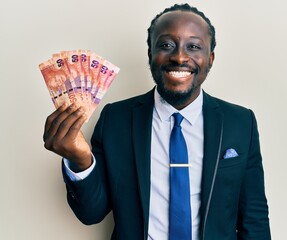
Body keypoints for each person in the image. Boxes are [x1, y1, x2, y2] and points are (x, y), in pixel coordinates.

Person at [43, 3, 271, 240]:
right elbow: (91, 213)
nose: (180, 56)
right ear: (151, 54)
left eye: (193, 46)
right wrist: (79, 160)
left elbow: (253, 219)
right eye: (166, 45)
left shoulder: (241, 123)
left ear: (210, 58)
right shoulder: (115, 119)